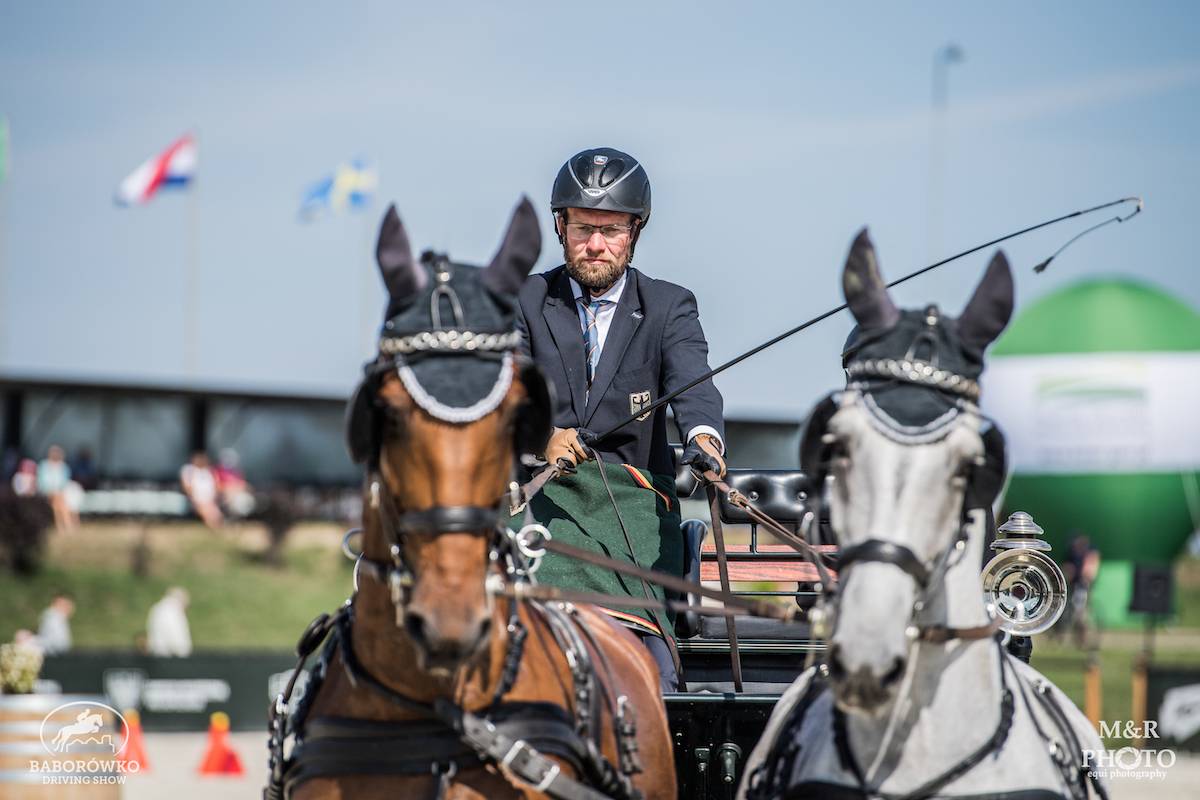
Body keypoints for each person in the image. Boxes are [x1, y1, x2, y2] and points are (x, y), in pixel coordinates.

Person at [515, 147, 726, 690]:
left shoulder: (669, 306)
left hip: (632, 507)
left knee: (655, 673)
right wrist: (542, 436)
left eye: (611, 231)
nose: (596, 244)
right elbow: (504, 387)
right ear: (560, 226)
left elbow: (692, 384)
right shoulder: (524, 299)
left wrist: (704, 439)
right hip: (542, 500)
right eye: (584, 228)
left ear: (635, 232)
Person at [38, 445, 80, 533]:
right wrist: (52, 490)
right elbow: (41, 483)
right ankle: (68, 526)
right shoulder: (44, 466)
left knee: (58, 504)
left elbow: (64, 482)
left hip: (60, 493)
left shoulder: (63, 467)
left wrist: (58, 491)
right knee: (60, 502)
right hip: (47, 492)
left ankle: (61, 527)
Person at [180, 451, 223, 529]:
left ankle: (216, 528)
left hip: (209, 498)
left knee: (215, 513)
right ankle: (214, 528)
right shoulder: (190, 470)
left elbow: (216, 484)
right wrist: (193, 498)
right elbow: (187, 486)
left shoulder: (209, 471)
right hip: (199, 499)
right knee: (209, 513)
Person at [146, 587, 193, 657]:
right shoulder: (173, 611)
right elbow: (176, 635)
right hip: (170, 656)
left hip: (157, 653)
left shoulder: (157, 608)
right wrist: (184, 652)